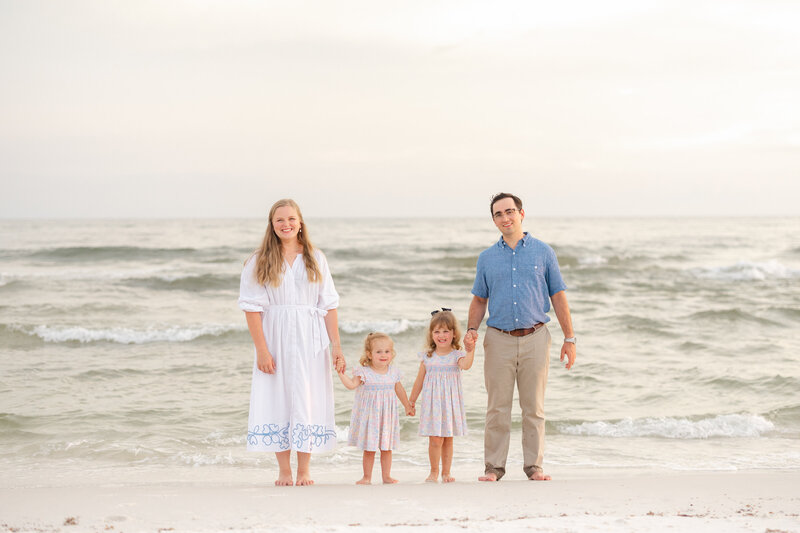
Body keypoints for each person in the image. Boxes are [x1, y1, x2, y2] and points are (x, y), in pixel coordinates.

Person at [466, 192, 576, 482]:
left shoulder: (543, 252)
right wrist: (471, 330)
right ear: (494, 220)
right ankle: (493, 468)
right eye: (499, 214)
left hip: (536, 337)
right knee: (497, 408)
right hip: (498, 338)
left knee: (534, 408)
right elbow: (479, 300)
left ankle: (534, 467)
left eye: (509, 211)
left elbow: (558, 296)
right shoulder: (487, 258)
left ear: (521, 213)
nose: (505, 218)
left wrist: (570, 338)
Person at [238, 198, 346, 487]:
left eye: (291, 219)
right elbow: (251, 308)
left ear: (300, 223)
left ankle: (305, 469)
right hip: (275, 334)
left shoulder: (315, 257)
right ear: (272, 225)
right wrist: (262, 349)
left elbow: (329, 305)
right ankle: (284, 470)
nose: (286, 224)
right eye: (279, 220)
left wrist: (336, 347)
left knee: (307, 398)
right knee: (278, 397)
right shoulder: (258, 260)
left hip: (311, 338)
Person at [338, 332, 414, 485]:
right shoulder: (364, 372)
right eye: (379, 351)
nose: (383, 355)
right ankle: (367, 477)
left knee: (387, 448)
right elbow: (351, 385)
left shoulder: (393, 372)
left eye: (387, 351)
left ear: (392, 354)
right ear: (369, 354)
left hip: (387, 417)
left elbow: (399, 390)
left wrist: (407, 405)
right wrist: (340, 373)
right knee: (370, 449)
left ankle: (386, 476)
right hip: (370, 417)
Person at [409, 309, 476, 483]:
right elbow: (419, 381)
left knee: (447, 439)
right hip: (432, 404)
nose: (441, 335)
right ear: (431, 335)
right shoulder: (428, 357)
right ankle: (433, 471)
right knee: (435, 439)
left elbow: (467, 365)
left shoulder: (457, 356)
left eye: (446, 331)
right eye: (437, 331)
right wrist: (411, 401)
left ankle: (446, 472)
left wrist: (471, 350)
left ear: (454, 334)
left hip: (450, 403)